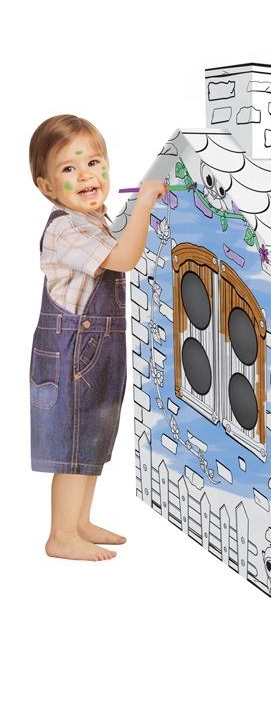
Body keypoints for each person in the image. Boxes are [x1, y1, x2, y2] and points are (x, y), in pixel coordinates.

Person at [29, 114, 166, 561]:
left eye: (93, 162)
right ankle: (60, 535)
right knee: (72, 446)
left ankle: (79, 522)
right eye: (69, 168)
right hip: (71, 353)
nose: (87, 175)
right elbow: (124, 259)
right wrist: (143, 206)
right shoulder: (66, 227)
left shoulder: (93, 219)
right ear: (48, 186)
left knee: (90, 442)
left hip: (95, 351)